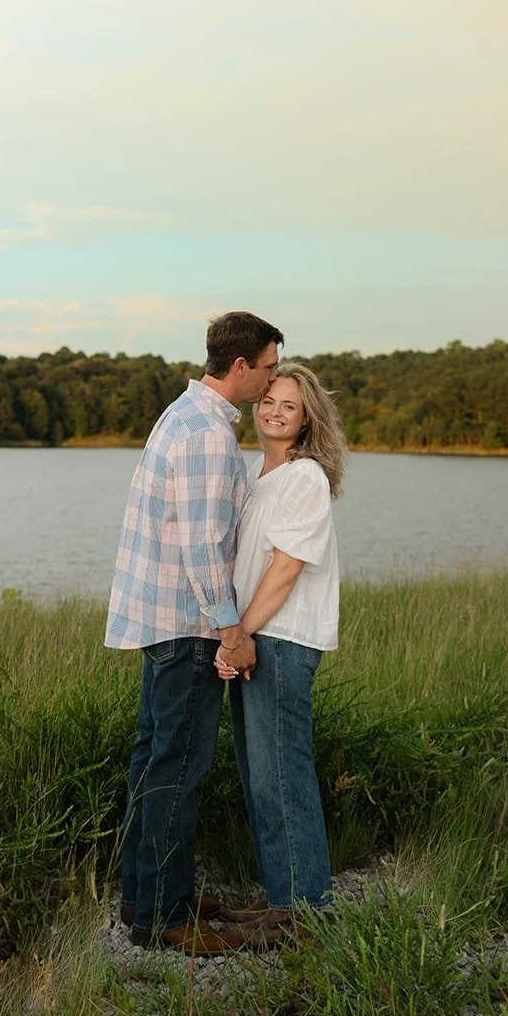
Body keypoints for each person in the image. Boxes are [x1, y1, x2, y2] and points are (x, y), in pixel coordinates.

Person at [105, 311, 284, 955]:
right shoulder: (207, 435)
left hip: (164, 618)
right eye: (267, 367)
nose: (272, 379)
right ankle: (166, 917)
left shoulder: (182, 413)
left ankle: (145, 896)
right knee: (178, 766)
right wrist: (231, 628)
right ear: (240, 367)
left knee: (154, 760)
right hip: (188, 623)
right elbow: (204, 546)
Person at [216, 361, 346, 945]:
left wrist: (240, 632)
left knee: (282, 774)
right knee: (258, 775)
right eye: (268, 399)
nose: (273, 411)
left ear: (306, 418)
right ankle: (282, 900)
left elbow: (287, 567)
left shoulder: (305, 478)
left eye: (288, 406)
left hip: (282, 639)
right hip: (254, 637)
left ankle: (306, 911)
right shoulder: (257, 476)